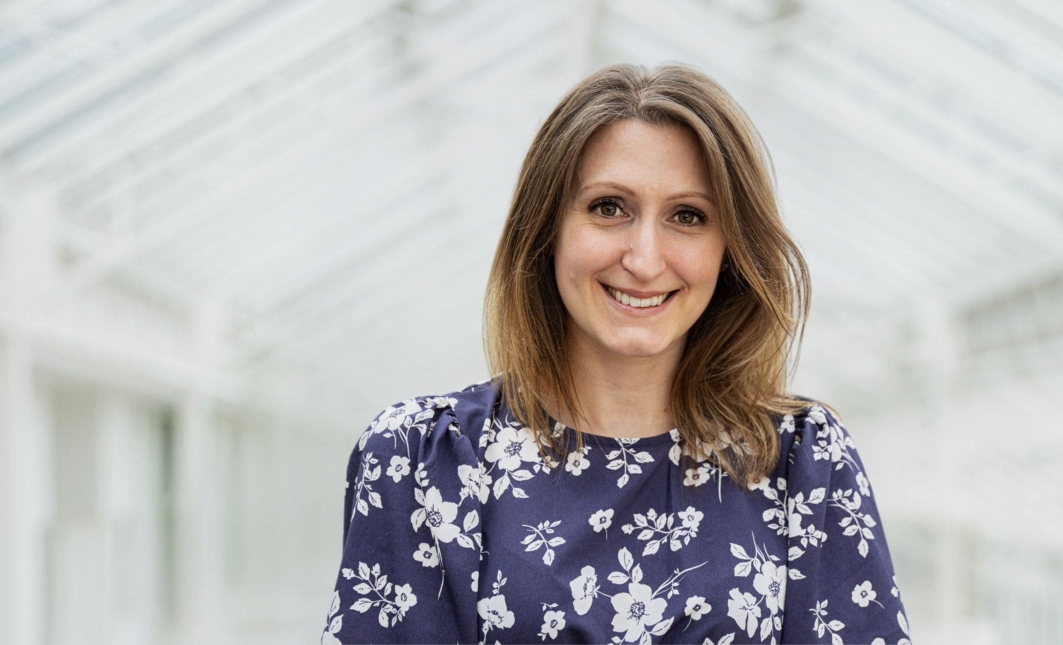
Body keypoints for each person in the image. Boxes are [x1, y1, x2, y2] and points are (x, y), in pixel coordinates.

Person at [320, 63, 910, 645]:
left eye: (688, 216)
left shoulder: (802, 462)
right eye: (608, 207)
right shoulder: (424, 459)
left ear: (729, 249)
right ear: (546, 227)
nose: (645, 259)